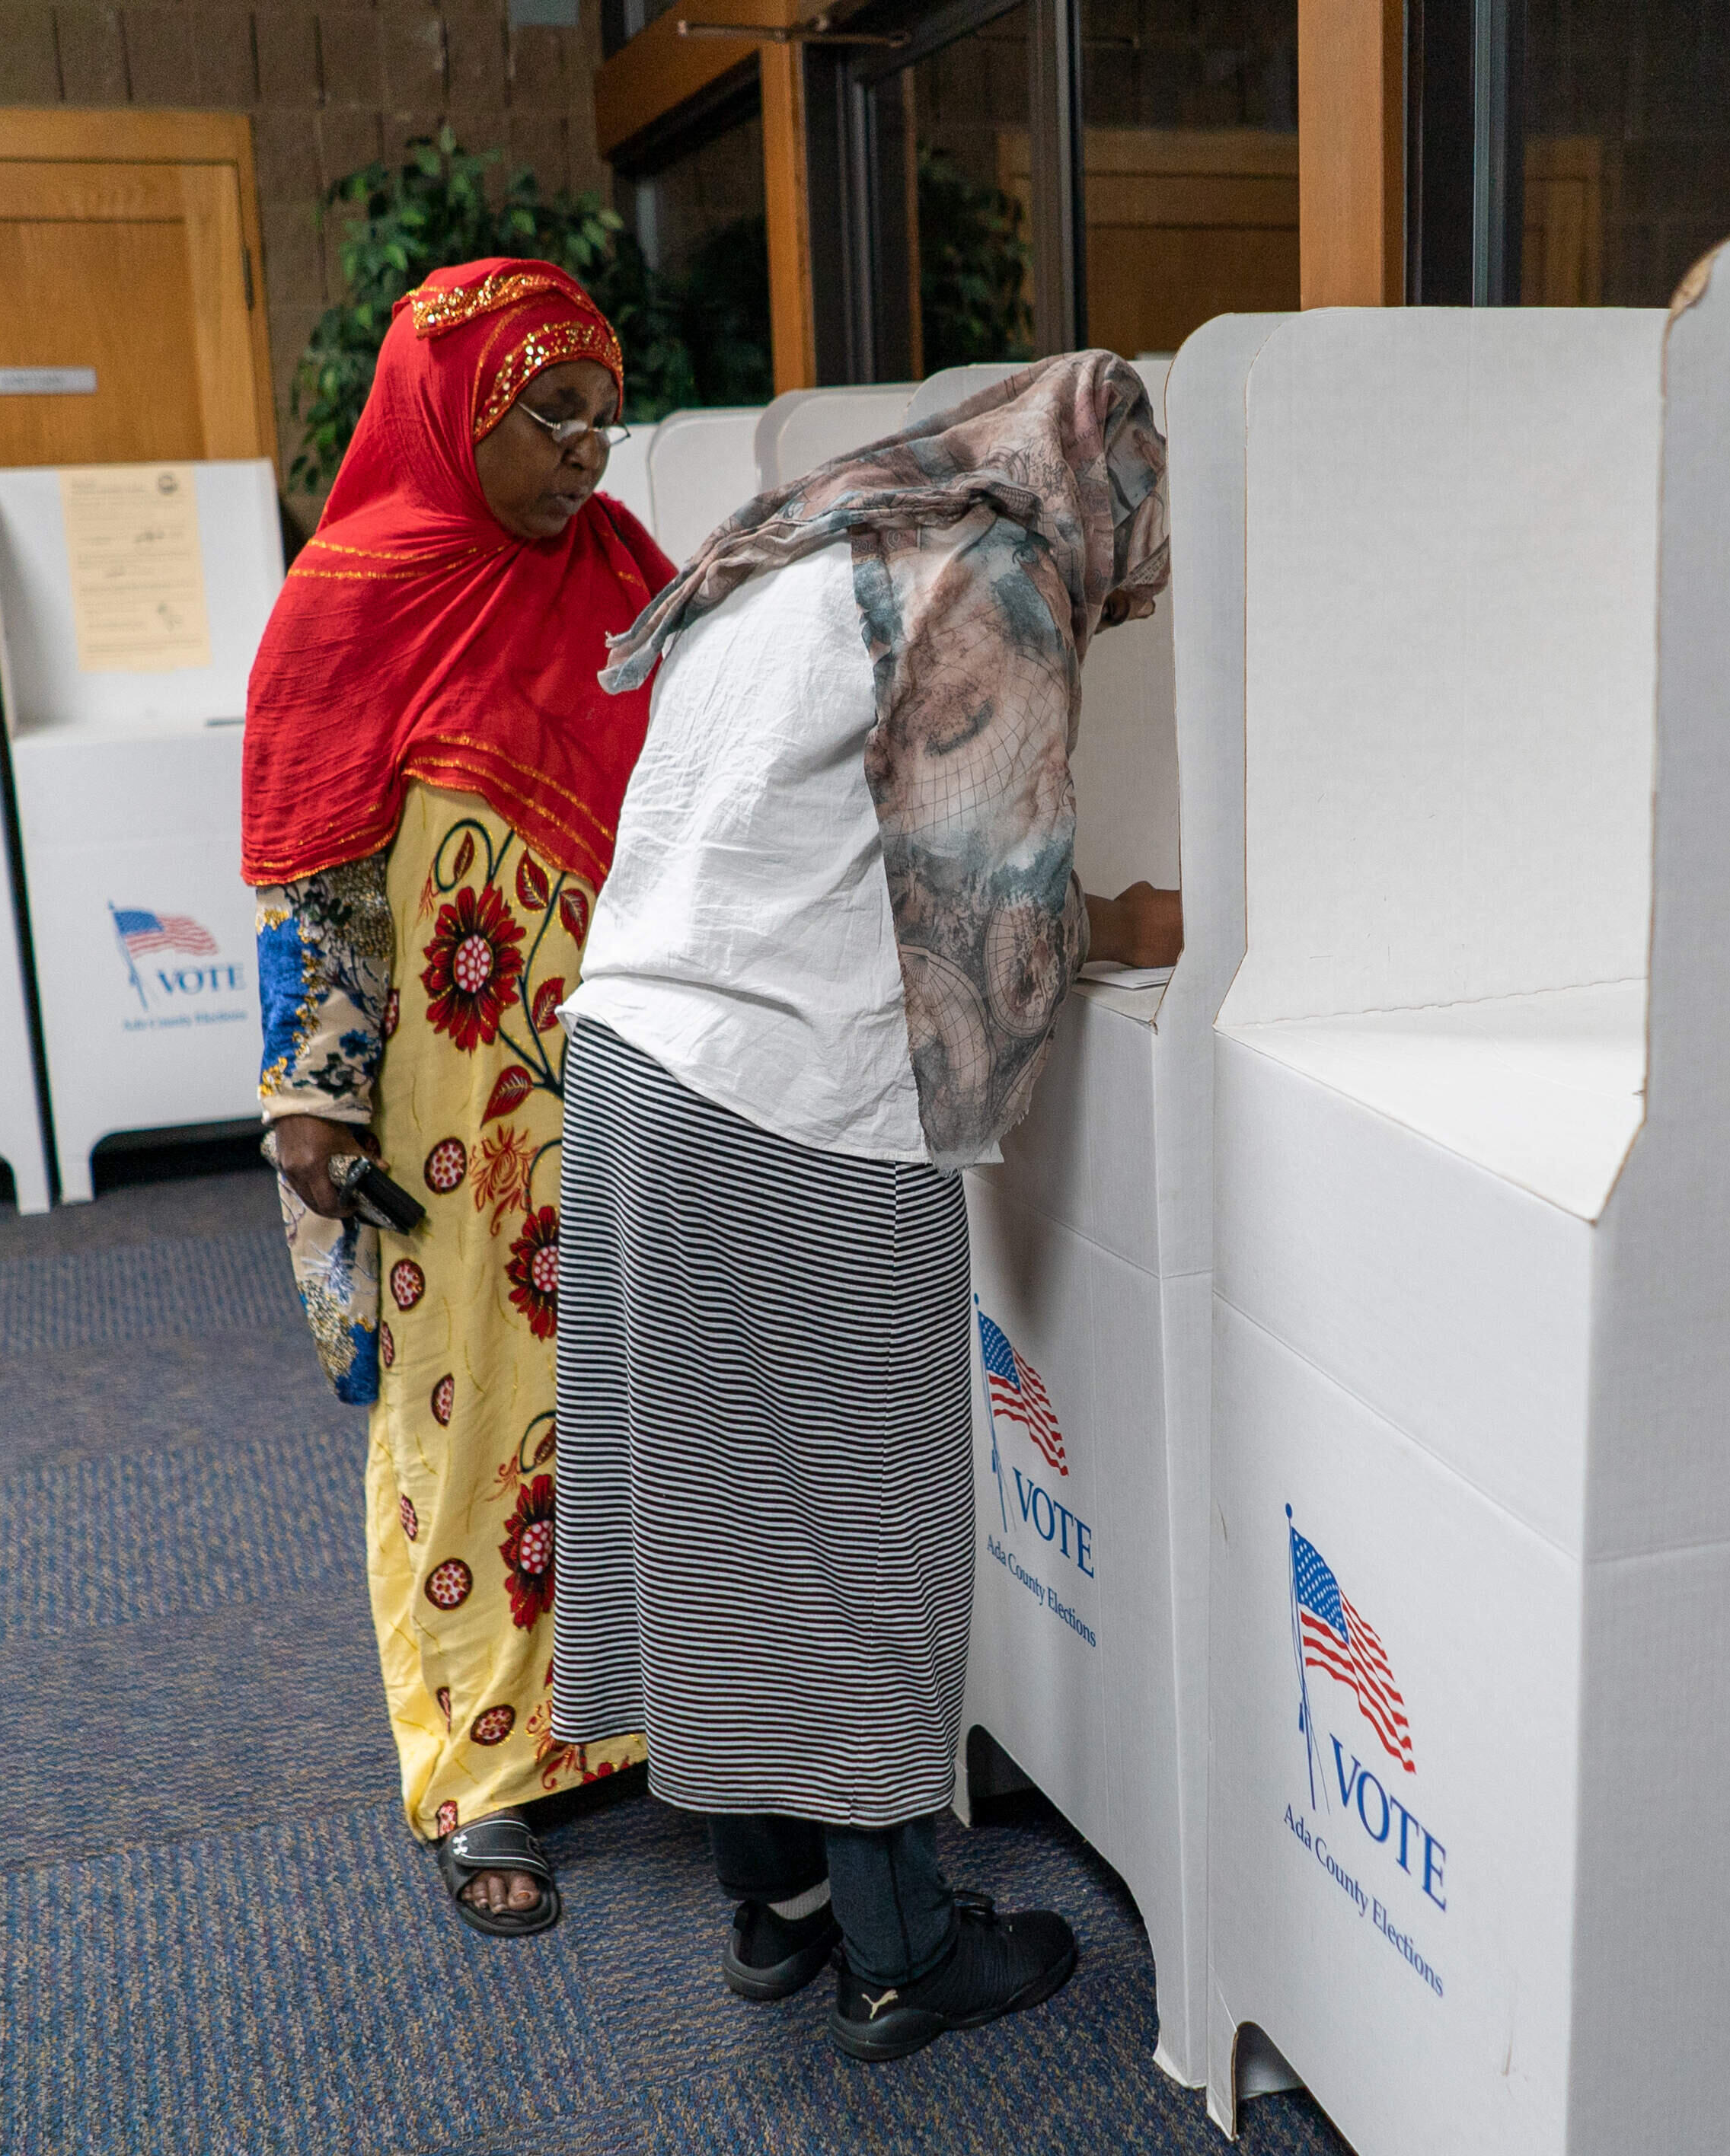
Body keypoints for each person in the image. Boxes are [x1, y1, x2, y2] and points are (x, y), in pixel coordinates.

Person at [549, 352, 1176, 2058]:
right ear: (1092, 485)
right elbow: (989, 930)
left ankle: (781, 1914)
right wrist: (1136, 934)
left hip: (628, 1060)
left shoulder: (817, 530)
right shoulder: (994, 576)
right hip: (786, 1103)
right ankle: (903, 1952)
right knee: (865, 1534)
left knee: (720, 1529)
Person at [243, 257, 671, 1937]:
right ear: (456, 412)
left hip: (633, 1071)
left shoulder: (630, 576)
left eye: (600, 420)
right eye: (545, 415)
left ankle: (624, 1714)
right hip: (447, 1093)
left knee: (632, 1385)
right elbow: (310, 878)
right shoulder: (357, 589)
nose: (584, 454)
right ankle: (480, 1767)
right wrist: (311, 1105)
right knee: (467, 1403)